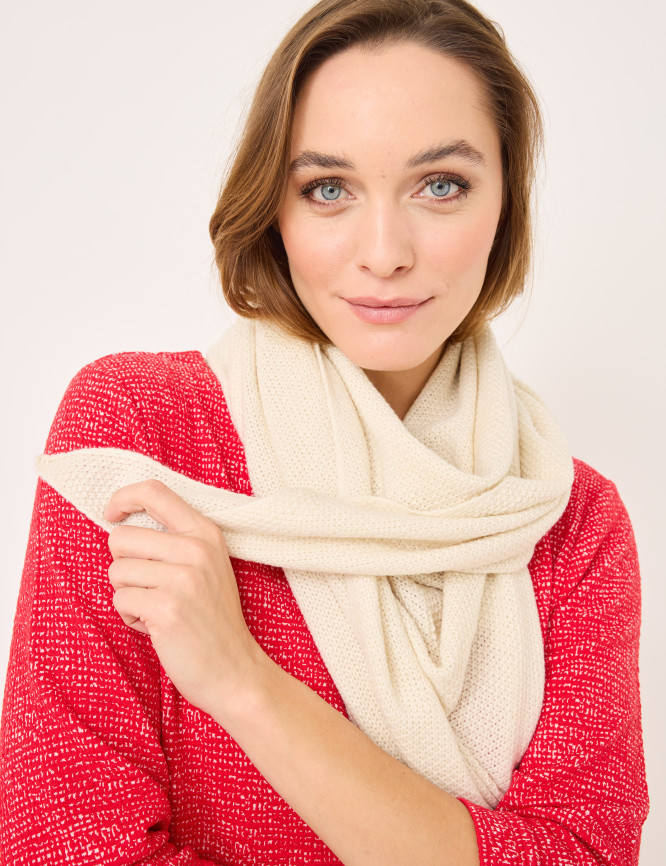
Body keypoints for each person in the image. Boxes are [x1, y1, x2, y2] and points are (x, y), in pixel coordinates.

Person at [0, 0, 648, 863]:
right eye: (328, 189)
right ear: (275, 208)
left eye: (440, 185)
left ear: (506, 204)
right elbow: (61, 844)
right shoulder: (144, 431)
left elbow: (581, 853)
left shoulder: (571, 520)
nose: (384, 252)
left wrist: (243, 682)